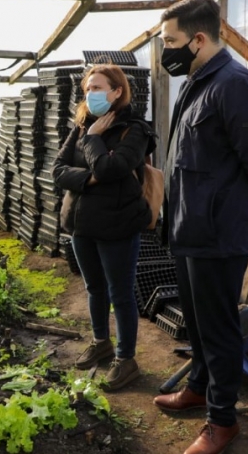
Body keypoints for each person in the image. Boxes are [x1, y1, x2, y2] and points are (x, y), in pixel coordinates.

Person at [152, 0, 248, 454]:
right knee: (199, 323)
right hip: (190, 226)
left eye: (171, 41)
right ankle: (199, 387)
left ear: (199, 39)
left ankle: (221, 422)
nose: (166, 49)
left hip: (219, 230)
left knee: (220, 328)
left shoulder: (236, 84)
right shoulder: (197, 81)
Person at [52, 64, 157, 390]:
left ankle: (126, 360)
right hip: (81, 224)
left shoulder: (135, 129)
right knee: (94, 288)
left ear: (117, 91)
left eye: (97, 88)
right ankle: (101, 342)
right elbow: (57, 170)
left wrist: (96, 141)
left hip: (118, 225)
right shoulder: (82, 124)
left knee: (121, 294)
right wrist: (89, 177)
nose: (90, 94)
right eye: (87, 89)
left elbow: (114, 167)